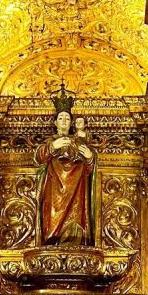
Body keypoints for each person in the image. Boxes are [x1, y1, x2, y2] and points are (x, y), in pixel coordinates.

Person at [35, 104, 96, 246]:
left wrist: (90, 157)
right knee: (52, 218)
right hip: (55, 189)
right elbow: (38, 157)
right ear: (55, 123)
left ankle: (75, 240)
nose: (64, 121)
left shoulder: (77, 142)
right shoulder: (52, 142)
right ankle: (51, 240)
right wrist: (53, 147)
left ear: (71, 123)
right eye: (61, 118)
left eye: (67, 118)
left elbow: (89, 169)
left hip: (76, 191)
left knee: (75, 220)